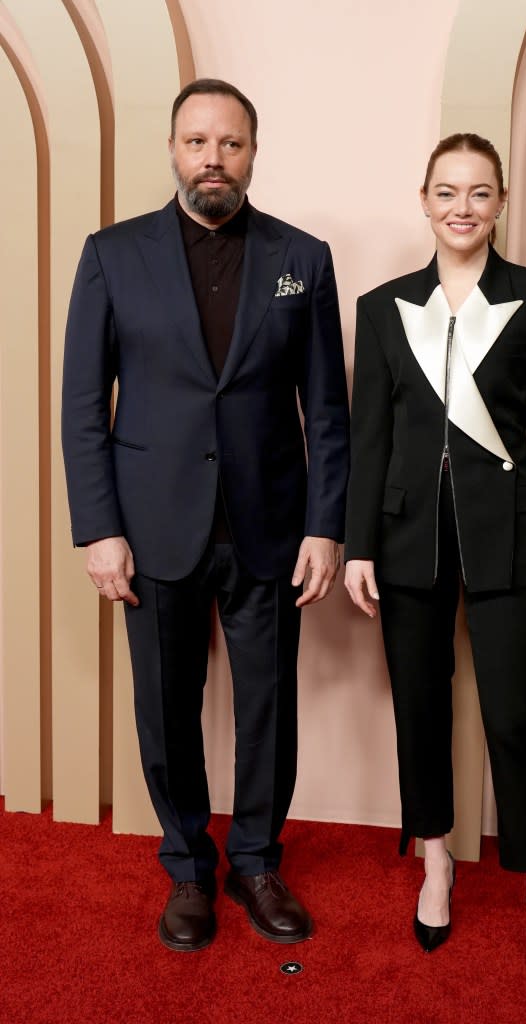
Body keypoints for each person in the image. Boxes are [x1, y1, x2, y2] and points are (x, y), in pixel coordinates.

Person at [62, 79, 350, 952]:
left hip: (269, 524)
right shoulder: (112, 255)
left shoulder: (304, 256)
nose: (212, 159)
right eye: (197, 142)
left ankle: (256, 860)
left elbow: (327, 410)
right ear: (174, 150)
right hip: (152, 530)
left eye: (229, 144)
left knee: (267, 709)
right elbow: (83, 406)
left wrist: (326, 525)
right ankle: (188, 868)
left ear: (252, 153)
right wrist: (99, 529)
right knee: (165, 710)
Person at [344, 133, 526, 1000]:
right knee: (419, 706)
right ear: (423, 199)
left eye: (478, 193)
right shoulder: (381, 308)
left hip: (512, 538)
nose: (461, 208)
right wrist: (358, 541)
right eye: (446, 191)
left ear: (501, 202)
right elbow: (368, 438)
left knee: (513, 720)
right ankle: (435, 860)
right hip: (405, 538)